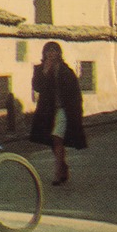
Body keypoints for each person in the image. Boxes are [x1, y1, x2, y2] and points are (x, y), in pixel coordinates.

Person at [29, 41, 87, 185]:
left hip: (63, 110)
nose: (51, 53)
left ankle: (57, 173)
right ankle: (63, 165)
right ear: (44, 53)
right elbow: (37, 87)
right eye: (48, 50)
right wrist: (45, 72)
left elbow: (75, 92)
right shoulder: (39, 69)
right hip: (48, 111)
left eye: (54, 50)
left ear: (59, 53)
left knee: (56, 137)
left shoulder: (66, 71)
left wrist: (77, 111)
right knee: (53, 141)